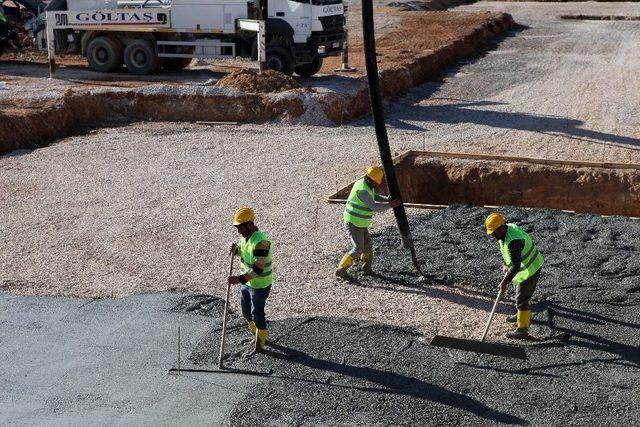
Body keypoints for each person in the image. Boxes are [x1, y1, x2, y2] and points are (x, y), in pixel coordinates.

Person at [485, 212, 544, 339]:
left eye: (494, 232)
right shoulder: (505, 232)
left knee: (522, 298)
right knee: (520, 293)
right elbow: (506, 252)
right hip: (524, 268)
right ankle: (521, 314)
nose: (493, 235)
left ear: (502, 227)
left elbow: (516, 266)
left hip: (530, 268)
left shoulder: (514, 240)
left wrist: (504, 282)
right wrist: (505, 264)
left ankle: (523, 329)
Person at [336, 166, 400, 278]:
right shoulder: (362, 190)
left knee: (368, 246)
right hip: (354, 222)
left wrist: (386, 199)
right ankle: (341, 270)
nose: (377, 185)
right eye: (375, 183)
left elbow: (374, 196)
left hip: (361, 222)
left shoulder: (367, 184)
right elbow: (374, 207)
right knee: (358, 248)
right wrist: (390, 205)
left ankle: (366, 267)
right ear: (369, 179)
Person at [228, 207, 273, 353]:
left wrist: (238, 279)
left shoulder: (262, 243)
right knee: (246, 312)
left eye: (240, 227)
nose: (238, 231)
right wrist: (236, 250)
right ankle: (255, 334)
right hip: (247, 283)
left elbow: (258, 269)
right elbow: (245, 252)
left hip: (260, 285)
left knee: (257, 313)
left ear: (249, 224)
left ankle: (260, 344)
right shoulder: (246, 237)